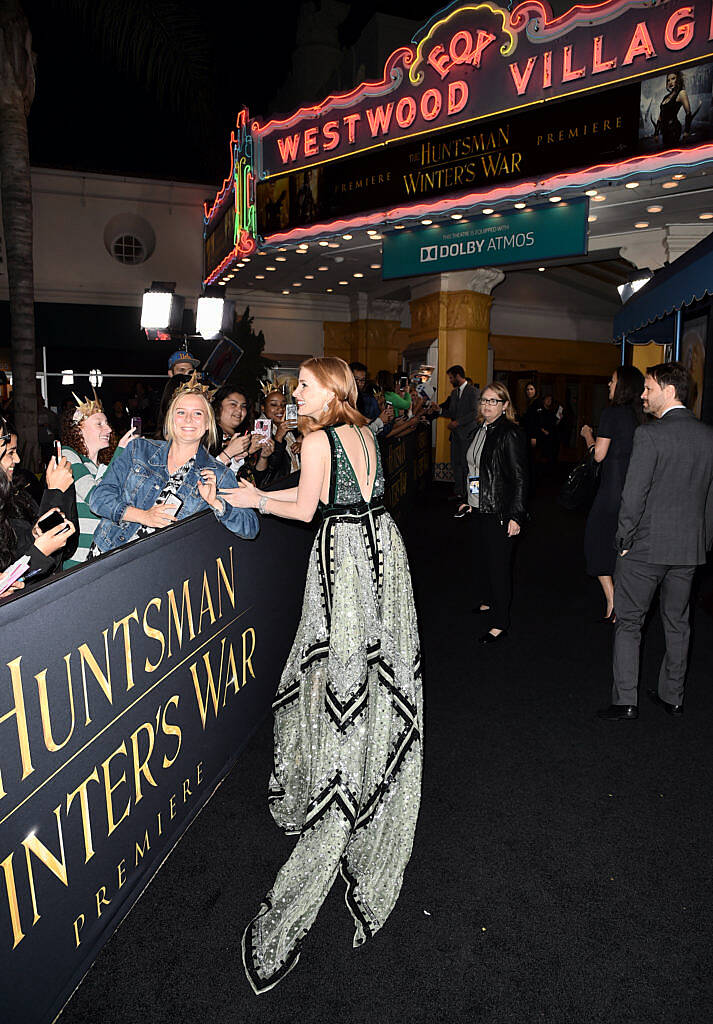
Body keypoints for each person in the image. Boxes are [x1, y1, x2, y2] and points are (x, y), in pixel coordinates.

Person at [224, 356, 422, 992]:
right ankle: (370, 758)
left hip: (343, 563)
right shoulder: (363, 431)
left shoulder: (314, 436)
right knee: (374, 668)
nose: (295, 392)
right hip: (383, 550)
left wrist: (260, 499)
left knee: (338, 670)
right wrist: (258, 494)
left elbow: (308, 508)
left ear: (329, 389)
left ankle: (342, 775)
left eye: (303, 385)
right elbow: (331, 494)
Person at [598, 363, 713, 721]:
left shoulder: (650, 436)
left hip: (644, 549)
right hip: (688, 548)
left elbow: (634, 497)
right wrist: (703, 541)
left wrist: (623, 540)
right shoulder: (708, 435)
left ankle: (626, 700)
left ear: (669, 390)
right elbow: (710, 497)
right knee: (678, 623)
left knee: (629, 623)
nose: (643, 396)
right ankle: (672, 697)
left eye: (648, 389)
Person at [88, 375, 259, 555]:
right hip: (107, 554)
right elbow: (98, 498)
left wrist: (216, 502)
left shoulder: (219, 473)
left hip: (161, 569)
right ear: (170, 418)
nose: (188, 419)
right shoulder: (139, 449)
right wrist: (143, 516)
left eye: (198, 413)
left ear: (208, 423)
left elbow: (250, 527)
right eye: (181, 412)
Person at [462, 382, 528, 644]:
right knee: (484, 561)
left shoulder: (510, 433)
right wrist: (468, 499)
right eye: (484, 400)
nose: (487, 405)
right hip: (479, 507)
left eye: (493, 401)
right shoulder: (481, 429)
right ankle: (490, 601)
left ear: (505, 405)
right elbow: (476, 469)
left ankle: (501, 622)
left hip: (500, 510)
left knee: (499, 567)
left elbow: (521, 478)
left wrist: (517, 515)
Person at [580, 366, 644, 622]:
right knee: (625, 546)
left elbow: (598, 455)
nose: (608, 384)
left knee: (595, 541)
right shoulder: (641, 416)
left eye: (613, 380)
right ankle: (625, 598)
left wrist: (587, 435)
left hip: (612, 489)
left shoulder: (612, 413)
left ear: (623, 386)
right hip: (636, 490)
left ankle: (612, 599)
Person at [0, 416, 77, 583]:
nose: (18, 459)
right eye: (10, 452)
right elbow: (17, 577)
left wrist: (34, 534)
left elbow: (66, 548)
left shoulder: (19, 492)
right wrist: (55, 492)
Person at [60, 391, 133, 569]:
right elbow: (96, 498)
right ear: (78, 428)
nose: (108, 429)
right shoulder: (68, 455)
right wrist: (121, 452)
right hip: (78, 562)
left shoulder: (102, 465)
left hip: (104, 556)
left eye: (107, 423)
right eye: (99, 424)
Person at [431, 365, 480, 503]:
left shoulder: (473, 391)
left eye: (451, 378)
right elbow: (452, 413)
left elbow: (475, 413)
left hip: (468, 435)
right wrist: (439, 410)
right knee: (456, 464)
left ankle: (473, 496)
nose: (450, 380)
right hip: (456, 436)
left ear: (458, 375)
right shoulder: (454, 393)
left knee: (469, 466)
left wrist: (458, 422)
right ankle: (459, 493)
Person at [211, 385, 275, 482]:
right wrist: (237, 452)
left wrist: (263, 457)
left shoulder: (242, 437)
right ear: (218, 406)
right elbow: (208, 477)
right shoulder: (211, 436)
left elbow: (254, 479)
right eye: (233, 404)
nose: (239, 410)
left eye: (243, 406)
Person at [654, 70, 692, 148]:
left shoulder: (681, 93)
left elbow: (688, 113)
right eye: (668, 80)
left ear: (678, 79)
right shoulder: (666, 97)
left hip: (674, 129)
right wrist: (656, 133)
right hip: (665, 131)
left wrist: (686, 131)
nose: (670, 82)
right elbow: (660, 116)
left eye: (673, 78)